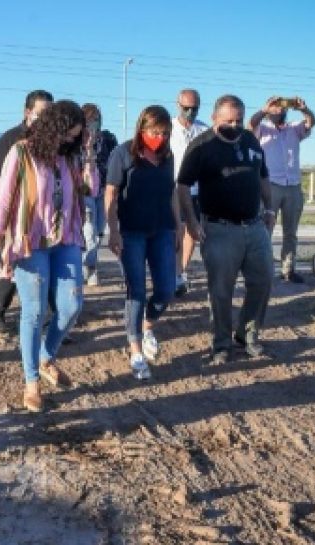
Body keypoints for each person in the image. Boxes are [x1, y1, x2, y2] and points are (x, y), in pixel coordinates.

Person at [0, 99, 96, 412]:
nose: (70, 141)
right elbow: (5, 196)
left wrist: (87, 154)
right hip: (30, 241)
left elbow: (90, 190)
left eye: (76, 137)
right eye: (68, 135)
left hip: (66, 239)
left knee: (72, 306)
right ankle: (32, 381)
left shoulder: (72, 158)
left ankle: (46, 355)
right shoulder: (21, 152)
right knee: (34, 311)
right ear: (55, 129)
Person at [177, 95, 275, 366]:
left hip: (254, 226)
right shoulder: (201, 146)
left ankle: (247, 335)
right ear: (213, 119)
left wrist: (269, 210)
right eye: (228, 121)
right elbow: (183, 185)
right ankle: (221, 344)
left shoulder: (251, 141)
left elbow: (263, 176)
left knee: (264, 280)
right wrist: (192, 222)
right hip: (219, 229)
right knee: (221, 291)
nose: (234, 125)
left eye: (239, 120)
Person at [104, 106, 179, 381]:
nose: (159, 137)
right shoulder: (122, 153)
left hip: (162, 229)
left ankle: (147, 325)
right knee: (136, 289)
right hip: (132, 232)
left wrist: (178, 226)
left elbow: (172, 193)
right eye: (154, 132)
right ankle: (135, 348)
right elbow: (110, 194)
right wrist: (113, 231)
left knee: (166, 289)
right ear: (141, 129)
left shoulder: (168, 156)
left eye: (164, 132)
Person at [0, 89, 53, 335]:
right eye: (42, 113)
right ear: (27, 112)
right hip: (14, 218)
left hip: (40, 222)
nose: (46, 119)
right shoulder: (11, 140)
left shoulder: (50, 142)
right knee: (9, 265)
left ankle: (51, 313)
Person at [248, 95, 315, 283]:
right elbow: (249, 125)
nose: (278, 110)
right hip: (270, 185)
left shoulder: (294, 128)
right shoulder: (262, 129)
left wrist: (303, 109)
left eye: (281, 107)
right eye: (275, 107)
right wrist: (264, 110)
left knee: (291, 232)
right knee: (265, 230)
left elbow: (312, 122)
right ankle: (262, 270)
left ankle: (288, 269)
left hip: (293, 186)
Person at [169, 89, 210, 297]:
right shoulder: (168, 128)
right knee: (177, 230)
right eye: (186, 108)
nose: (190, 113)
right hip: (173, 188)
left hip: (196, 189)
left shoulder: (204, 130)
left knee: (192, 233)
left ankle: (181, 272)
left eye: (194, 109)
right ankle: (174, 273)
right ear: (178, 105)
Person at [79, 103, 118, 286]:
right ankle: (89, 267)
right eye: (89, 121)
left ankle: (89, 266)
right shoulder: (76, 143)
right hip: (84, 192)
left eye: (96, 120)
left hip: (103, 191)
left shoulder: (109, 140)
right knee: (89, 232)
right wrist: (88, 148)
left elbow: (115, 164)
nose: (93, 125)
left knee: (100, 231)